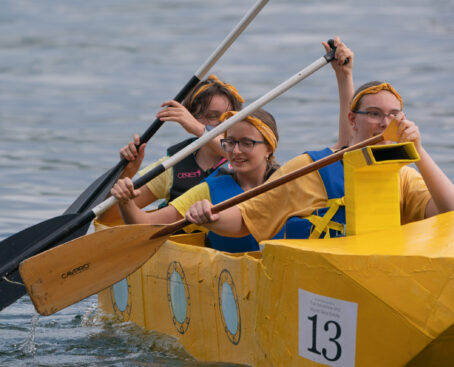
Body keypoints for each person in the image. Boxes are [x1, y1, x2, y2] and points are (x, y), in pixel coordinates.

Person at [107, 37, 355, 251]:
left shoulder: (287, 180)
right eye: (231, 143)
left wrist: (343, 75)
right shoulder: (206, 190)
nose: (236, 151)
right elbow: (146, 225)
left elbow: (347, 147)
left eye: (247, 143)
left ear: (269, 148)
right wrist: (126, 200)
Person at [183, 80, 454, 243]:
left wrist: (419, 151)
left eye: (394, 115)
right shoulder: (307, 168)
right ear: (353, 120)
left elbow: (453, 211)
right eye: (375, 114)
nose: (385, 124)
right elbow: (245, 220)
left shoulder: (402, 176)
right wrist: (210, 216)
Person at [99, 74, 244, 224]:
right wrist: (127, 172)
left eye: (229, 117)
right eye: (213, 116)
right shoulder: (171, 166)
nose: (222, 124)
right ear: (190, 117)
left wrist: (200, 129)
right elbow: (108, 219)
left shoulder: (249, 159)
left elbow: (240, 154)